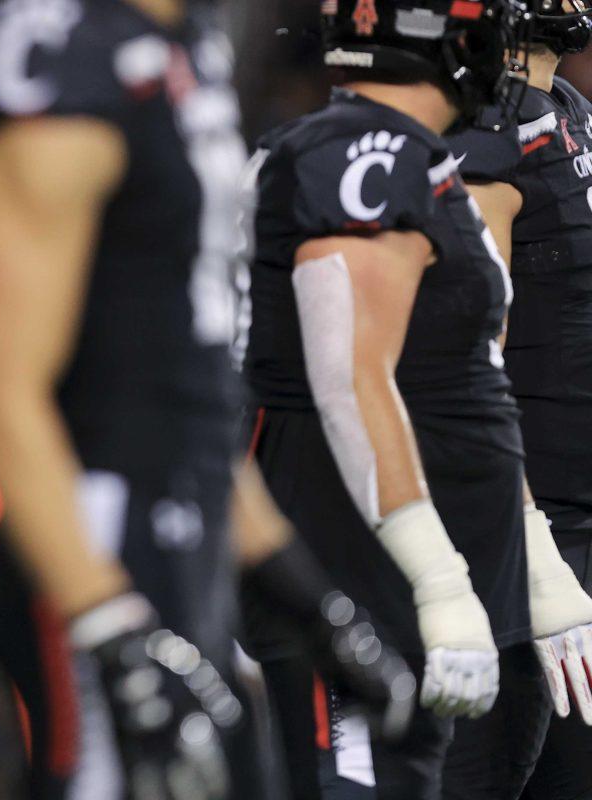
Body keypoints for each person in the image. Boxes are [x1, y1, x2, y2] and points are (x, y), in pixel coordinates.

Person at [0, 0, 413, 797]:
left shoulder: (180, 44)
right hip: (90, 541)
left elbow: (175, 388)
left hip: (180, 533)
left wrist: (307, 596)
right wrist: (108, 627)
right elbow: (0, 385)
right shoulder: (63, 57)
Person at [240, 0, 580, 797]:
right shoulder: (366, 155)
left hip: (390, 559)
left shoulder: (400, 153)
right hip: (357, 563)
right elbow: (351, 378)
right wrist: (438, 576)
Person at [447, 3, 592, 797]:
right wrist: (536, 556)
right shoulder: (484, 137)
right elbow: (467, 366)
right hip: (530, 542)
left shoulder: (566, 107)